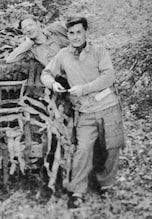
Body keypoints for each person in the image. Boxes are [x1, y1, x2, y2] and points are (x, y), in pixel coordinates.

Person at [40, 17, 125, 208]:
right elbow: (45, 73)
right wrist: (53, 84)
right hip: (85, 112)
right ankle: (77, 191)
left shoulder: (99, 51)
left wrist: (84, 88)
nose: (75, 36)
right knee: (82, 149)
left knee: (112, 147)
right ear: (67, 34)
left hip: (108, 107)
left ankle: (106, 184)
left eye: (79, 32)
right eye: (71, 33)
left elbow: (109, 76)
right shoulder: (63, 55)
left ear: (85, 32)